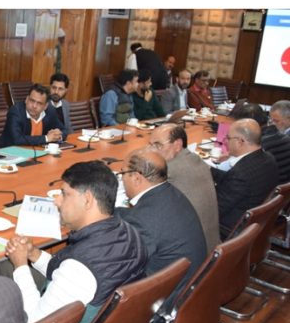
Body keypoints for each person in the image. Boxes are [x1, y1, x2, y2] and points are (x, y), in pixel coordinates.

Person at [3, 161, 146, 323]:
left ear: (87, 200)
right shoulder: (129, 232)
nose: (57, 201)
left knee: (1, 280)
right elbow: (65, 274)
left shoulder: (79, 267)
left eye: (64, 194)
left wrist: (20, 265)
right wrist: (33, 255)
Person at [115, 150, 207, 279]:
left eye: (122, 173)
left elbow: (122, 263)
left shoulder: (143, 219)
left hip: (172, 293)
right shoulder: (172, 193)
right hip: (193, 279)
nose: (122, 179)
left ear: (136, 178)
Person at [147, 124, 220, 253]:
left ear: (177, 144)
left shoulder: (170, 171)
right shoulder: (196, 159)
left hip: (192, 256)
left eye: (158, 145)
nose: (151, 150)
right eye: (150, 144)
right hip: (212, 247)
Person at [213, 118, 279, 239]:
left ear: (240, 142)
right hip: (256, 224)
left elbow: (214, 209)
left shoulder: (240, 175)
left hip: (229, 229)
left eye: (228, 138)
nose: (225, 141)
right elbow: (232, 181)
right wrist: (208, 171)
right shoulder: (268, 158)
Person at [231, 102, 290, 184]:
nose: (272, 123)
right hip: (280, 185)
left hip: (270, 187)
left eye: (276, 121)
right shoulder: (279, 136)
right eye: (270, 119)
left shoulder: (265, 142)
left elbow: (241, 170)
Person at [0, 83, 64, 147]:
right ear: (26, 99)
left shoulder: (50, 111)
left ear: (45, 106)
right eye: (32, 101)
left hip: (36, 151)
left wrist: (57, 135)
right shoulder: (16, 111)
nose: (34, 106)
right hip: (7, 152)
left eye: (39, 103)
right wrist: (46, 138)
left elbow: (64, 130)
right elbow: (17, 139)